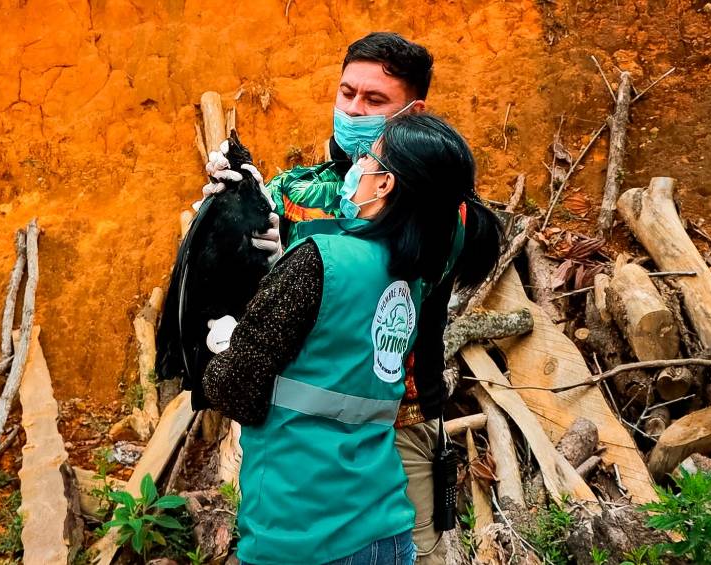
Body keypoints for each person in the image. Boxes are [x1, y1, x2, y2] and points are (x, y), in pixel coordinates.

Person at [204, 32, 501, 563]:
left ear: (414, 112)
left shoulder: (441, 211)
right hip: (303, 442)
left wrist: (295, 252)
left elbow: (375, 259)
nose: (354, 109)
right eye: (347, 94)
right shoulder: (299, 188)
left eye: (374, 101)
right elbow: (272, 304)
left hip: (400, 426)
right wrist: (239, 206)